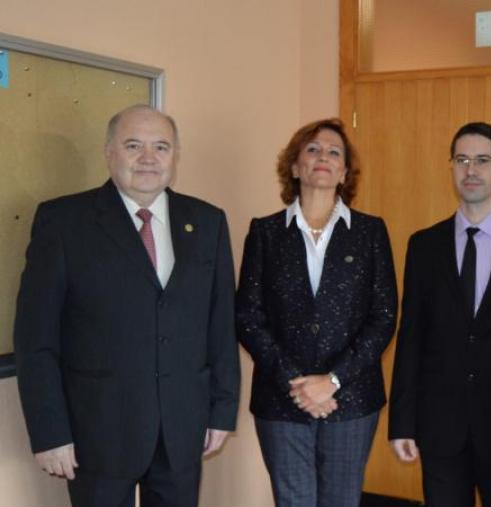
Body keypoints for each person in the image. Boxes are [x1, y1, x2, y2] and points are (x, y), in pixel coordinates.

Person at [14, 104, 241, 506]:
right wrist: (50, 432)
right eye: (134, 145)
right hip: (97, 433)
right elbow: (36, 340)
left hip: (181, 430)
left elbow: (220, 324)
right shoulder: (64, 221)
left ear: (175, 156)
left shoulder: (207, 222)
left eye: (161, 147)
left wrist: (222, 411)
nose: (148, 159)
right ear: (109, 152)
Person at [388, 122, 491, 506]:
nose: (471, 170)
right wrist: (402, 423)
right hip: (441, 428)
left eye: (482, 160)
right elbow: (411, 334)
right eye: (462, 160)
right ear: (451, 167)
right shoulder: (424, 245)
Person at [236, 118, 397, 507]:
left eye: (333, 152)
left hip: (352, 401)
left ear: (344, 172)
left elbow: (384, 316)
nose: (322, 156)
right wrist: (297, 382)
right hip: (281, 399)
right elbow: (249, 316)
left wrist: (334, 380)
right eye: (312, 150)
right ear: (294, 167)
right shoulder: (265, 232)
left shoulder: (371, 232)